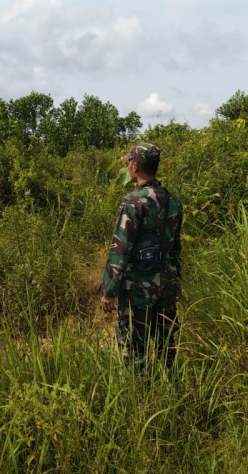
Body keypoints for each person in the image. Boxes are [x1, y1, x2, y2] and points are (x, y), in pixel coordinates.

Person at [100, 143, 183, 370]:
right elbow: (176, 247)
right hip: (167, 283)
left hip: (138, 287)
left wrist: (109, 290)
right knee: (166, 341)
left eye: (129, 162)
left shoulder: (132, 202)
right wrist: (177, 281)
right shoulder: (173, 201)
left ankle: (138, 394)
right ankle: (170, 382)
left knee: (134, 344)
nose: (128, 166)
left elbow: (120, 248)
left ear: (135, 166)